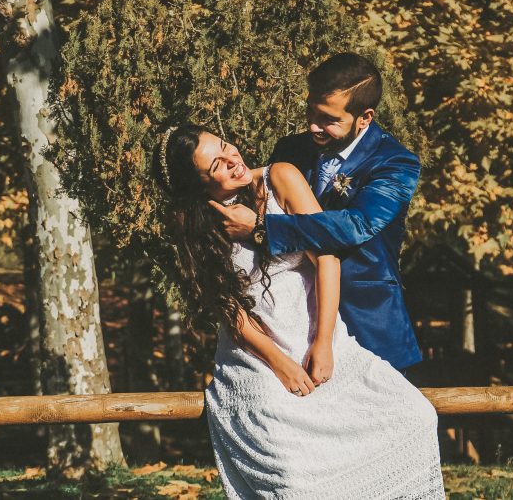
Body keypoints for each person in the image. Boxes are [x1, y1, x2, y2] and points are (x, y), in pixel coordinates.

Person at [156, 124, 443, 499]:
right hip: (255, 351)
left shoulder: (280, 177)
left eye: (227, 147)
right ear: (198, 186)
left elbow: (327, 257)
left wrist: (323, 342)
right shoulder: (193, 224)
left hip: (317, 332)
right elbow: (228, 308)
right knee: (294, 476)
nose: (232, 160)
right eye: (217, 166)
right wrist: (279, 363)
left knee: (414, 417)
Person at [210, 53, 424, 372]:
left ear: (364, 117)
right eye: (310, 110)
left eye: (328, 119)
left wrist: (262, 230)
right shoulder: (291, 150)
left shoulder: (396, 163)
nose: (313, 125)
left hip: (364, 319)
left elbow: (356, 225)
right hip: (293, 326)